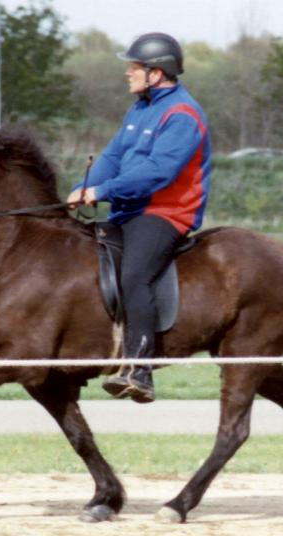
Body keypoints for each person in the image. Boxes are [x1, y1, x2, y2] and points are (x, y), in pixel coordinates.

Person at [68, 32, 211, 403]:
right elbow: (113, 157)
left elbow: (158, 171)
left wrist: (100, 193)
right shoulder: (140, 108)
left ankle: (140, 369)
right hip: (126, 210)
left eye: (135, 67)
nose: (127, 73)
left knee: (134, 275)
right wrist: (81, 187)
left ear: (157, 72)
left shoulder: (183, 114)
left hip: (165, 213)